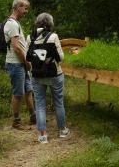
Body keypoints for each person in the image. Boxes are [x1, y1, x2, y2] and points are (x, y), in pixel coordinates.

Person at [26, 12, 70, 144]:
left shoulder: (30, 37)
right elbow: (60, 57)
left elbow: (28, 57)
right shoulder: (53, 36)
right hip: (54, 74)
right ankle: (62, 130)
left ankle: (43, 135)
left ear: (38, 23)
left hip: (36, 75)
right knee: (58, 102)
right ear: (50, 23)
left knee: (39, 104)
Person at [4, 0, 36, 129]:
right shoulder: (11, 24)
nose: (26, 11)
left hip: (21, 63)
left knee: (28, 90)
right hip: (16, 63)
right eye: (25, 8)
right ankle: (16, 121)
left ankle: (33, 116)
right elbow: (17, 47)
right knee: (17, 92)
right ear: (18, 7)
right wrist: (26, 62)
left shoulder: (15, 23)